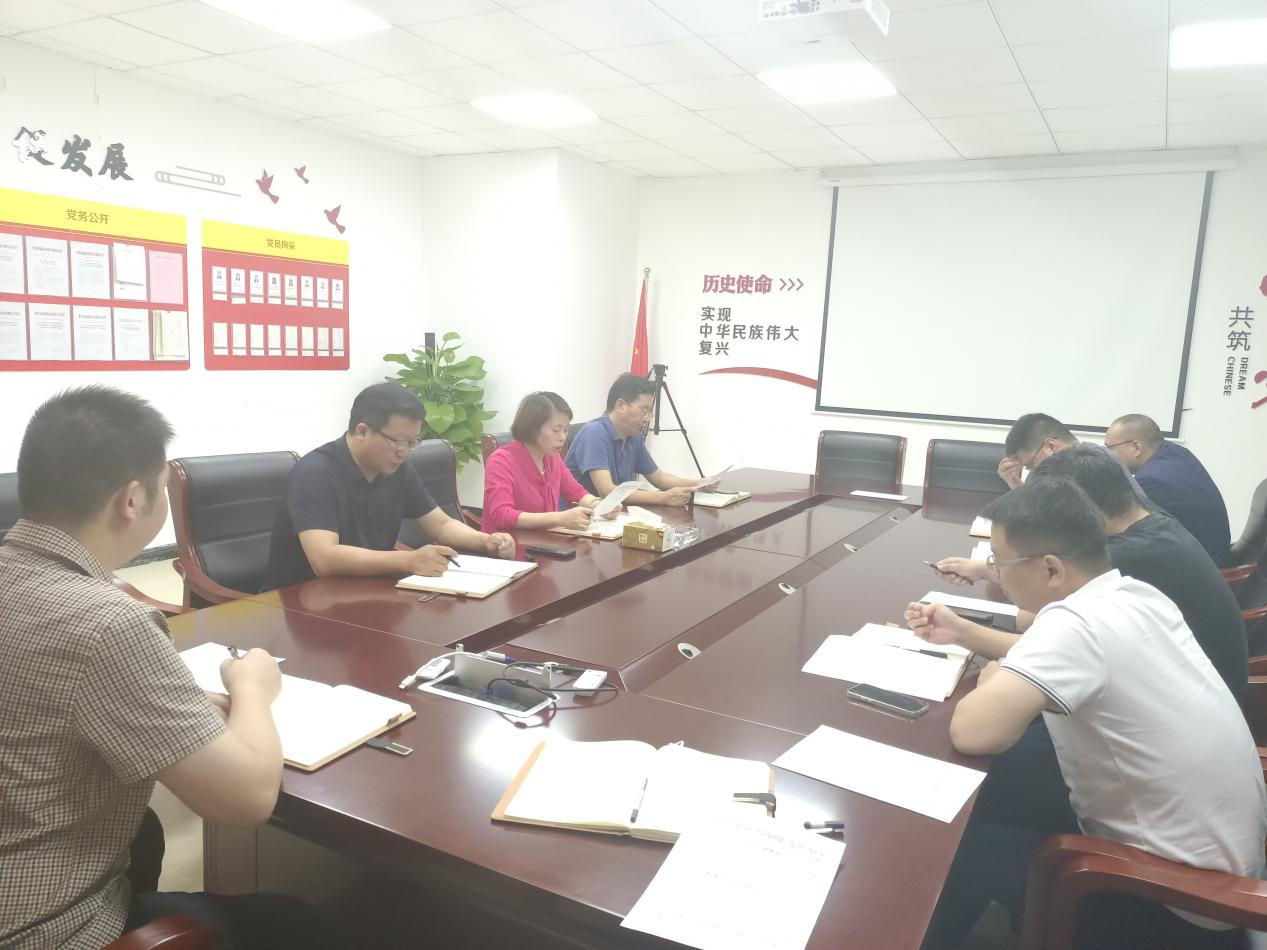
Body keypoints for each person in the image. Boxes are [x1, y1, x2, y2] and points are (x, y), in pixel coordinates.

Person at [0, 386, 320, 949]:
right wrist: (251, 688)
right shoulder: (106, 622)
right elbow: (247, 798)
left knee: (145, 834)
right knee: (294, 923)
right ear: (132, 500)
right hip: (41, 928)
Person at [909, 479, 1265, 950]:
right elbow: (1054, 656)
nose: (994, 573)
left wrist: (995, 673)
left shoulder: (1075, 626)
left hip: (1174, 901)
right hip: (1226, 870)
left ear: (1051, 568)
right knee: (996, 800)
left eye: (999, 561)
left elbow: (973, 732)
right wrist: (969, 637)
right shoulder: (1134, 594)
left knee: (965, 848)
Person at [931, 444, 1247, 704]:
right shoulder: (1150, 524)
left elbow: (1048, 644)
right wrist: (989, 570)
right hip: (1194, 697)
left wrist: (962, 632)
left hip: (1178, 708)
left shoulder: (1123, 557)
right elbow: (1041, 619)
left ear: (1080, 510)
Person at [265, 382, 515, 590]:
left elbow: (441, 525)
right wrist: (408, 560)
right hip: (302, 603)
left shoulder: (397, 469)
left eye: (412, 442)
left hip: (368, 591)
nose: (404, 452)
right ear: (362, 431)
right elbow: (324, 559)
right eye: (398, 441)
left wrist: (486, 541)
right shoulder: (315, 472)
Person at [1105, 413, 1233, 566]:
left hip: (1197, 567)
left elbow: (1127, 534)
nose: (1107, 455)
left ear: (1137, 447)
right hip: (1214, 553)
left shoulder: (1151, 481)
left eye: (1109, 448)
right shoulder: (1176, 452)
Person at [564, 373, 701, 508]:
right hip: (579, 516)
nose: (646, 419)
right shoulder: (594, 433)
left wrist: (698, 485)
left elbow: (659, 478)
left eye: (649, 413)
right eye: (643, 410)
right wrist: (663, 497)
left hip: (614, 513)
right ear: (620, 405)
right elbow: (606, 491)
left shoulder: (633, 435)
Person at [482, 391, 609, 533]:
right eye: (556, 430)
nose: (562, 437)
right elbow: (502, 515)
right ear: (533, 428)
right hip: (509, 543)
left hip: (547, 541)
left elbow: (577, 492)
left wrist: (601, 506)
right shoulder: (501, 461)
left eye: (566, 430)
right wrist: (559, 518)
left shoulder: (552, 458)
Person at [998, 411, 1150, 506]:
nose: (1033, 471)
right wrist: (1015, 483)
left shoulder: (1093, 465)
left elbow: (1045, 522)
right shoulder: (1084, 458)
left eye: (1030, 464)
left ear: (1051, 446)